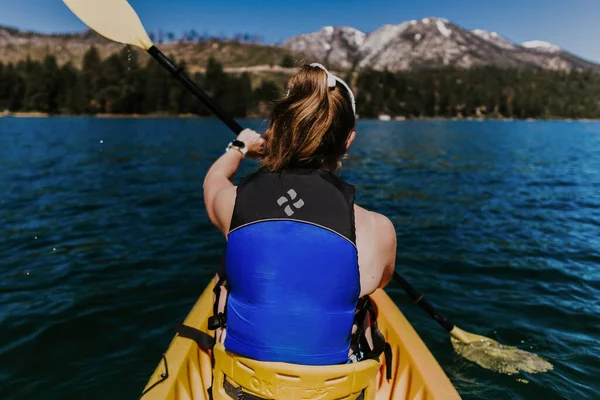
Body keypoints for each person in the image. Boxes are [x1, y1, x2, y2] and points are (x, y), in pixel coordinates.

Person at [203, 63, 396, 367]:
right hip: (334, 392)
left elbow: (213, 181)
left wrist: (240, 146)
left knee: (224, 277)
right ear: (348, 140)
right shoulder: (378, 229)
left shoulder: (233, 203)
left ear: (275, 130)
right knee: (365, 304)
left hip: (243, 388)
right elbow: (381, 281)